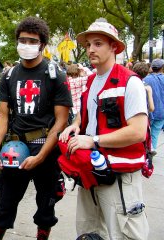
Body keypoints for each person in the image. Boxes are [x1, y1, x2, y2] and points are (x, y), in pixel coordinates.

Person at [59, 18, 149, 240]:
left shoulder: (130, 82)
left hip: (120, 176)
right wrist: (76, 124)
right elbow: (87, 111)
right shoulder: (91, 81)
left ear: (114, 47)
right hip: (91, 173)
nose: (90, 49)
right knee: (89, 233)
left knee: (123, 234)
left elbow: (138, 131)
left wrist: (93, 140)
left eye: (98, 43)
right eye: (88, 44)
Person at [0, 17, 72, 240]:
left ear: (42, 45)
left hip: (46, 149)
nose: (26, 44)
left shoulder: (56, 76)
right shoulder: (9, 75)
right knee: (4, 203)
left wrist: (42, 155)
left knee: (46, 205)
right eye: (22, 40)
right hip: (15, 148)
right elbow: (3, 115)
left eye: (32, 40)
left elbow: (61, 122)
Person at [143, 58, 164, 155]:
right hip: (161, 112)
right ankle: (151, 149)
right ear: (161, 68)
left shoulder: (146, 79)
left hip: (149, 111)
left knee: (146, 132)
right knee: (155, 132)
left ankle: (145, 150)